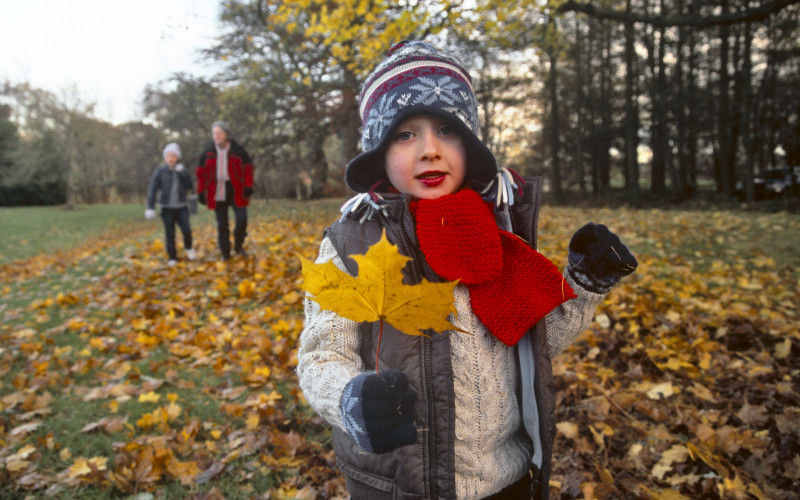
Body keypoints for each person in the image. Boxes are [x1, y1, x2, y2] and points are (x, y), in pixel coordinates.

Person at [297, 41, 639, 499]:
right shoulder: (353, 242)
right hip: (403, 484)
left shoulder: (496, 231)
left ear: (471, 142)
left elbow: (534, 345)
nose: (430, 150)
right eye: (405, 134)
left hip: (506, 478)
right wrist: (351, 398)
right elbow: (321, 356)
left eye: (446, 129)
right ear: (378, 151)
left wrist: (585, 284)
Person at [196, 121, 254, 260]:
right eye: (214, 133)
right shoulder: (207, 153)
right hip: (217, 192)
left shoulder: (238, 150)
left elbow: (248, 169)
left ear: (226, 134)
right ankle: (225, 253)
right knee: (222, 224)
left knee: (242, 219)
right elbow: (201, 174)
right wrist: (200, 192)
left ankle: (238, 245)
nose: (217, 136)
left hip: (236, 190)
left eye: (220, 133)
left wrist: (248, 186)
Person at [146, 143, 195, 266]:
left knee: (187, 230)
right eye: (168, 155)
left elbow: (190, 186)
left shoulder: (182, 170)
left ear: (177, 157)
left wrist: (183, 173)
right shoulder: (160, 171)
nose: (170, 158)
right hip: (166, 208)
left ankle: (189, 247)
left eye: (173, 155)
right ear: (165, 157)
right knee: (170, 233)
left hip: (181, 207)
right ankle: (172, 257)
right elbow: (153, 188)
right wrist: (150, 207)